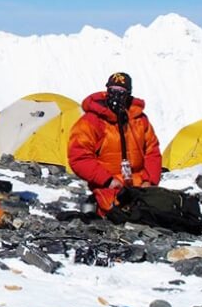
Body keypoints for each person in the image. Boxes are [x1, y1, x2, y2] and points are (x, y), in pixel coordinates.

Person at [68, 72, 162, 216]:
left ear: (128, 95)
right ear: (107, 91)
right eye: (113, 91)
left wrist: (149, 181)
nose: (116, 96)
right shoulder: (92, 121)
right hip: (109, 187)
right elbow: (79, 157)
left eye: (121, 92)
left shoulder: (139, 120)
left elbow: (152, 151)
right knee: (119, 213)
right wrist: (107, 180)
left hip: (141, 186)